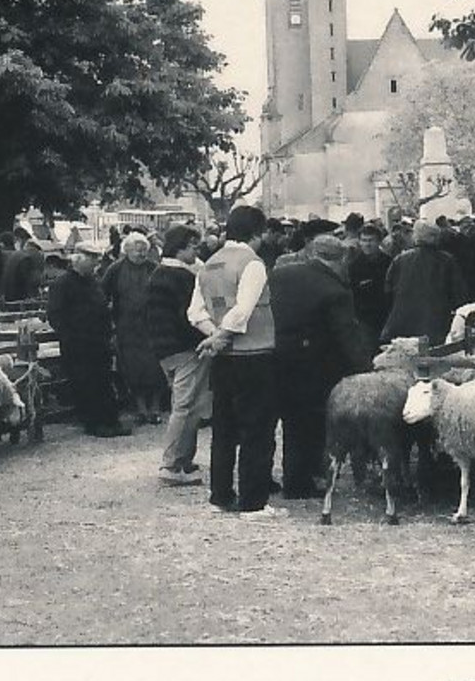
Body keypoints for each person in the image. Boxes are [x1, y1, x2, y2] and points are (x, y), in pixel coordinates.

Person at [192, 204, 281, 519]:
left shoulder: (208, 264)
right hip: (254, 356)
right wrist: (223, 335)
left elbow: (196, 312)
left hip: (223, 360)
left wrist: (214, 335)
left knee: (224, 429)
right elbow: (244, 309)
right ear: (256, 234)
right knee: (257, 430)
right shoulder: (253, 263)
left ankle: (220, 496)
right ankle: (253, 502)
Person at [269, 234, 372, 500]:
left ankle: (282, 476)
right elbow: (346, 334)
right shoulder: (335, 290)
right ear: (339, 260)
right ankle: (301, 481)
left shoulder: (281, 275)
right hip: (314, 364)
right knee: (311, 422)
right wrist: (367, 367)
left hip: (273, 355)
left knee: (286, 421)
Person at [146, 224, 216, 484]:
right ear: (181, 248)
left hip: (164, 349)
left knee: (191, 405)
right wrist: (210, 338)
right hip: (186, 347)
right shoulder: (184, 277)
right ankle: (171, 464)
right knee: (185, 406)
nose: (197, 252)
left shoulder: (156, 273)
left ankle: (184, 459)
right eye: (194, 247)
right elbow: (191, 317)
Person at [46, 242, 130, 437]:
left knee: (104, 382)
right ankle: (94, 424)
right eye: (92, 259)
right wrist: (71, 336)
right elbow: (55, 315)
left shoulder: (93, 282)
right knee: (86, 384)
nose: (96, 263)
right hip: (78, 346)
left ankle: (111, 421)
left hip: (99, 342)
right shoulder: (62, 284)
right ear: (79, 259)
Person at [103, 232, 166, 423]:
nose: (141, 254)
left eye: (144, 251)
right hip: (127, 326)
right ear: (127, 250)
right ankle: (141, 408)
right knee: (132, 368)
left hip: (151, 326)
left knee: (155, 367)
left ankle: (155, 408)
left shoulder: (154, 268)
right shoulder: (115, 269)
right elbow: (104, 293)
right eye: (137, 251)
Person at [381, 220, 468, 345]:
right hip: (435, 325)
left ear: (416, 237)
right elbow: (459, 294)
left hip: (402, 325)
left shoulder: (400, 260)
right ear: (435, 238)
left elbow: (388, 290)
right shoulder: (447, 261)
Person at [347, 222, 392, 348]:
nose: (367, 244)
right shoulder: (354, 266)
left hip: (385, 316)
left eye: (371, 240)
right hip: (364, 319)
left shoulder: (389, 262)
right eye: (364, 240)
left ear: (379, 242)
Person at [0, 238, 47, 302]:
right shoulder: (35, 255)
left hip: (8, 295)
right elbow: (35, 280)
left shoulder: (16, 254)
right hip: (23, 298)